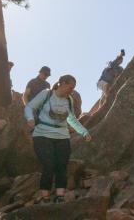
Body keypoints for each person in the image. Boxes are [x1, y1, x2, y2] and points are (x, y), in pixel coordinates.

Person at [24, 75, 91, 204]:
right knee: (48, 165)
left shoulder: (69, 100)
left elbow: (71, 119)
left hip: (62, 136)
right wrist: (30, 119)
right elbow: (29, 107)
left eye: (73, 89)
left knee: (61, 166)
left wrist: (84, 132)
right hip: (42, 135)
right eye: (70, 87)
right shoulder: (46, 95)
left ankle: (60, 196)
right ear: (62, 83)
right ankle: (45, 197)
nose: (71, 91)